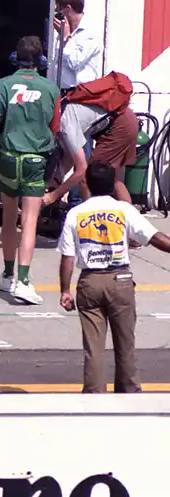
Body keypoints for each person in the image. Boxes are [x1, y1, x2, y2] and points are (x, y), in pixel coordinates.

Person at [57, 161, 170, 393]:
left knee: (93, 348)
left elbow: (67, 257)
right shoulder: (124, 210)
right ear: (114, 185)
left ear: (85, 182)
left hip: (89, 281)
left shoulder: (75, 214)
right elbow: (156, 238)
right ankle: (129, 392)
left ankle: (94, 394)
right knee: (125, 343)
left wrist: (65, 290)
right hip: (120, 280)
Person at [0, 36, 60, 305]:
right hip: (35, 160)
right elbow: (55, 129)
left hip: (7, 158)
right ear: (40, 60)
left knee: (10, 215)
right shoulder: (51, 89)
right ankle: (24, 281)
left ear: (16, 57)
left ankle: (6, 273)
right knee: (30, 221)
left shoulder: (2, 85)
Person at [44, 74, 138, 206]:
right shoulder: (61, 111)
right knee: (113, 178)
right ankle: (128, 216)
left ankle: (91, 218)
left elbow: (81, 169)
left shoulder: (65, 125)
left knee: (89, 176)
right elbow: (69, 157)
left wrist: (53, 196)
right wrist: (56, 181)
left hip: (119, 126)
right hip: (124, 119)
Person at [53, 0, 103, 207]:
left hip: (81, 98)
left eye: (58, 8)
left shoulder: (88, 35)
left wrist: (66, 38)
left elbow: (74, 63)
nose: (56, 13)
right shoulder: (67, 34)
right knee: (62, 148)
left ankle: (77, 202)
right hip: (64, 96)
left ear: (67, 8)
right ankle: (56, 190)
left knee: (79, 151)